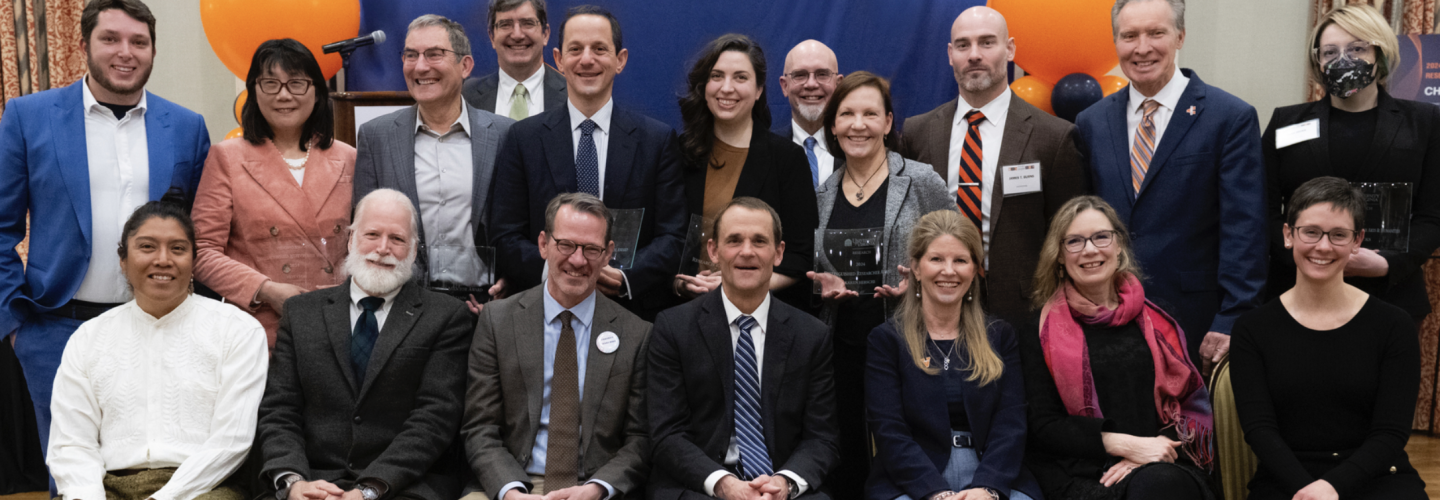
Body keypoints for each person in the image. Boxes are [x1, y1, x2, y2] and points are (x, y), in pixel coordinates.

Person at [0, 0, 210, 470]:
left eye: (139, 42)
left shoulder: (187, 128)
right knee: (74, 474)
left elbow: (203, 233)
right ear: (83, 46)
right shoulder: (28, 117)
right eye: (110, 39)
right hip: (57, 328)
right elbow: (0, 227)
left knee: (153, 469)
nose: (126, 52)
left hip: (160, 327)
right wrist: (17, 328)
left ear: (153, 51)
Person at [1073, 0, 1266, 372]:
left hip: (1194, 319)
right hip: (1107, 314)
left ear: (1180, 36)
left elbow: (1245, 229)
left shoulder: (1229, 118)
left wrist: (1233, 316)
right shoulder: (1091, 122)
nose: (1142, 47)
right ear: (1116, 43)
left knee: (1189, 428)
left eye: (1155, 33)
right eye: (1129, 36)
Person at [257, 189, 472, 500]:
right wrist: (293, 481)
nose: (382, 249)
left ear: (413, 250)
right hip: (313, 482)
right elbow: (280, 409)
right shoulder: (301, 312)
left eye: (397, 239)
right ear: (351, 239)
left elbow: (434, 419)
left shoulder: (446, 317)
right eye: (372, 234)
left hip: (403, 486)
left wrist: (370, 489)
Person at [48, 199, 268, 500]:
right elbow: (71, 443)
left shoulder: (237, 331)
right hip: (106, 486)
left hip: (204, 488)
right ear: (123, 260)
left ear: (194, 260)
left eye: (178, 249)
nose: (163, 260)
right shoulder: (89, 337)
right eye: (147, 247)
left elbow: (232, 441)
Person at [805, 71, 953, 500]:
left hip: (911, 344)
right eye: (847, 114)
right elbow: (813, 268)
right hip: (842, 347)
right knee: (848, 454)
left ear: (888, 122)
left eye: (870, 113)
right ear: (832, 125)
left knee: (907, 454)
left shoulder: (921, 180)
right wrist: (821, 288)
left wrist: (921, 287)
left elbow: (959, 253)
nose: (858, 124)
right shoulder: (821, 193)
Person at [1231, 177, 1426, 500]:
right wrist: (1308, 490)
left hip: (1376, 476)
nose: (1323, 246)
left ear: (1357, 241)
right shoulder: (1252, 329)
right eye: (1311, 232)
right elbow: (1259, 430)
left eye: (1339, 235)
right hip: (1287, 477)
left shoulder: (1394, 325)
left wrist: (1332, 487)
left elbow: (1390, 432)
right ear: (1288, 235)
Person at [489, 5, 686, 321]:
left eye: (599, 49)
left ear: (619, 60)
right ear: (558, 59)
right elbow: (504, 234)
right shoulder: (522, 139)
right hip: (541, 312)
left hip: (630, 314)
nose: (587, 59)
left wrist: (625, 278)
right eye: (575, 49)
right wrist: (558, 272)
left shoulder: (656, 141)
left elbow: (673, 236)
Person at [898, 5, 1089, 326]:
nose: (974, 55)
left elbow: (1069, 236)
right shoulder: (919, 132)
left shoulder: (1053, 137)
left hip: (1023, 315)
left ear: (1010, 49)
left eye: (987, 43)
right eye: (963, 45)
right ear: (950, 54)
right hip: (935, 309)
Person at [1019, 195, 1215, 500]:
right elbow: (1044, 426)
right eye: (1075, 241)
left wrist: (1146, 452)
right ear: (1059, 255)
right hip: (1082, 470)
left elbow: (1187, 406)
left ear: (1119, 244)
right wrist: (1127, 446)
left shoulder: (1159, 319)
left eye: (1101, 237)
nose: (1090, 250)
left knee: (1161, 484)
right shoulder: (1038, 331)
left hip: (1162, 456)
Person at [647, 197, 838, 500]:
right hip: (701, 488)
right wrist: (725, 485)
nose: (746, 251)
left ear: (779, 253)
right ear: (713, 250)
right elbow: (667, 435)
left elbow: (822, 438)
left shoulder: (811, 335)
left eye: (759, 241)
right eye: (734, 240)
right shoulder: (673, 328)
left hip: (780, 487)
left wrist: (784, 484)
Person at [1263, 4, 1440, 329]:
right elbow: (1265, 209)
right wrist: (1308, 258)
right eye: (1330, 52)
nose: (1342, 60)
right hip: (1297, 293)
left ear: (1381, 54)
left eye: (1357, 48)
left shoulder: (1425, 123)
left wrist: (1388, 264)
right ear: (1318, 60)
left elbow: (1433, 214)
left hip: (1390, 298)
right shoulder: (1285, 123)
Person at [463, 193, 650, 500]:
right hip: (513, 483)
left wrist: (596, 489)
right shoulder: (499, 322)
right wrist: (512, 492)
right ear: (543, 244)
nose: (577, 260)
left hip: (594, 485)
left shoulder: (636, 334)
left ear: (608, 254)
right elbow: (479, 428)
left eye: (591, 249)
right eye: (566, 245)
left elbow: (639, 439)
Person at [866, 210, 1041, 500]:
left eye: (960, 260)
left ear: (974, 270)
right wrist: (933, 492)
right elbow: (889, 431)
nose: (949, 271)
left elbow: (1011, 423)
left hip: (993, 472)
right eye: (936, 259)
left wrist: (988, 488)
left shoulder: (1000, 335)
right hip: (913, 478)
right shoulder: (887, 340)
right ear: (917, 268)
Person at [192, 38, 356, 349]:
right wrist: (266, 289)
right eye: (270, 83)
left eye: (296, 83)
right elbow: (201, 250)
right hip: (257, 330)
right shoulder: (227, 157)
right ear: (253, 90)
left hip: (336, 325)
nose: (283, 95)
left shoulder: (348, 157)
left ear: (317, 91)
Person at [354, 14, 515, 310]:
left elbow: (520, 224)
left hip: (483, 306)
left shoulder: (505, 134)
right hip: (401, 306)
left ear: (465, 66)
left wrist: (512, 280)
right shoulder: (376, 136)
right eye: (411, 55)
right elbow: (363, 227)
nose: (420, 66)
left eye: (434, 54)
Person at [673, 34, 819, 314]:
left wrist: (736, 285)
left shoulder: (787, 158)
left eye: (740, 77)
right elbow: (666, 241)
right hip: (687, 313)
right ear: (704, 86)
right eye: (717, 76)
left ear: (759, 89)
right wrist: (679, 283)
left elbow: (801, 256)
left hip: (760, 315)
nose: (726, 88)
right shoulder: (679, 153)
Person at [463, 0, 567, 118]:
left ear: (545, 34)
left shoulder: (572, 95)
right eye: (505, 24)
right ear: (492, 37)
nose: (517, 35)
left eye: (528, 23)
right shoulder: (465, 95)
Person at [776, 40, 842, 187]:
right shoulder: (763, 152)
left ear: (838, 85)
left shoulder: (856, 148)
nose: (811, 84)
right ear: (784, 86)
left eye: (822, 74)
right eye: (800, 75)